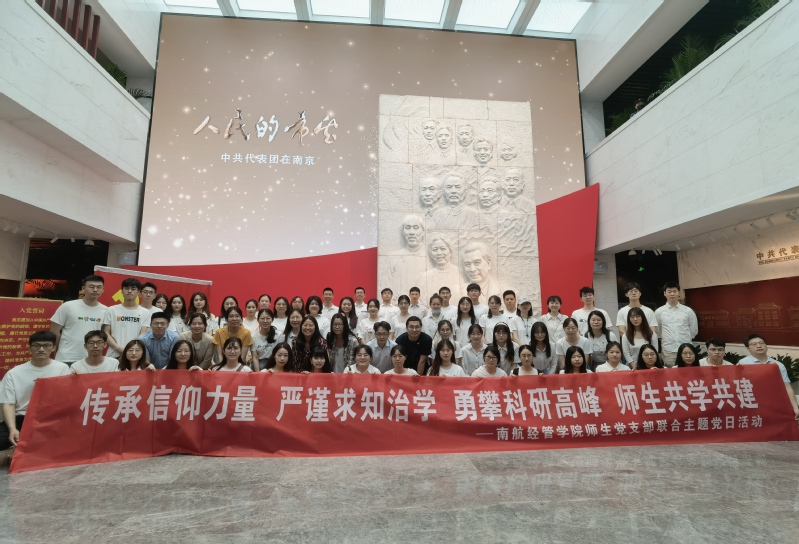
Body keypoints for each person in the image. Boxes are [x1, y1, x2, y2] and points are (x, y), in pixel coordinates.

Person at [0, 332, 70, 450]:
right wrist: (12, 429)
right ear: (29, 348)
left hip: (51, 417)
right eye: (36, 345)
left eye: (46, 345)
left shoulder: (62, 368)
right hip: (22, 417)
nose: (41, 349)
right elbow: (9, 404)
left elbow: (67, 398)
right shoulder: (14, 373)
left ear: (53, 348)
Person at [50, 274, 107, 365]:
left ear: (103, 290)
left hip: (92, 359)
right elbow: (54, 331)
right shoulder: (68, 306)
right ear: (83, 288)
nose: (95, 290)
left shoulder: (106, 311)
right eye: (91, 287)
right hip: (67, 357)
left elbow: (105, 334)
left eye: (99, 287)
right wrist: (55, 351)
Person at [738, 334, 799, 419]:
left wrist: (795, 407)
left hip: (774, 402)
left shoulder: (778, 365)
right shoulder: (743, 364)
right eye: (754, 344)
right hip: (754, 403)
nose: (759, 346)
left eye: (761, 343)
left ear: (766, 345)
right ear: (748, 348)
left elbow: (787, 387)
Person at [101, 277, 151, 359]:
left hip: (134, 354)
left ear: (138, 292)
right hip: (113, 354)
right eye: (126, 288)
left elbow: (143, 334)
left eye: (133, 289)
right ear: (122, 291)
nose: (129, 291)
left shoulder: (145, 312)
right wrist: (118, 348)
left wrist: (130, 350)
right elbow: (105, 332)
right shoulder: (111, 310)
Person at [654, 281, 698, 367]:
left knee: (687, 371)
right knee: (670, 372)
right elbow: (658, 331)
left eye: (674, 291)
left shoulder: (688, 311)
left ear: (679, 293)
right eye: (669, 292)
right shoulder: (659, 312)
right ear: (665, 293)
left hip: (686, 349)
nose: (672, 294)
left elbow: (693, 330)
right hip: (668, 350)